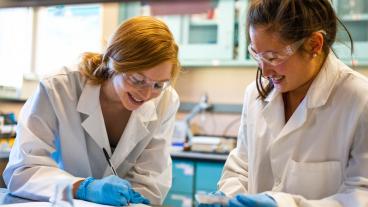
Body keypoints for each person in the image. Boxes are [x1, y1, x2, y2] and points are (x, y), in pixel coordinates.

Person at [200, 0, 368, 207]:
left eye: (273, 57)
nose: (264, 71)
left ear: (315, 44)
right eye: (256, 54)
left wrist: (287, 204)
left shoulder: (360, 100)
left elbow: (362, 194)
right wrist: (227, 198)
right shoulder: (254, 94)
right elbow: (241, 168)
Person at [3, 16, 180, 206]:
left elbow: (151, 178)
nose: (146, 94)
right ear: (112, 62)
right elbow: (24, 169)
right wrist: (83, 187)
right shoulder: (59, 87)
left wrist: (133, 200)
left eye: (158, 85)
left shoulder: (166, 100)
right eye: (137, 80)